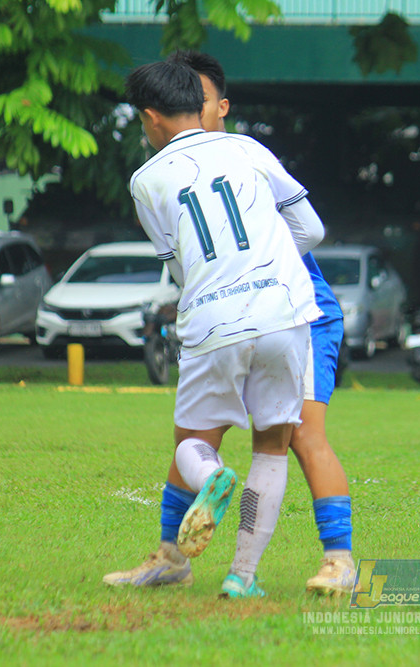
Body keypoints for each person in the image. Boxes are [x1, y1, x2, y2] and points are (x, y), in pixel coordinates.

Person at [103, 60, 324, 598]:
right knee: (272, 447)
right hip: (284, 313)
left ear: (152, 117)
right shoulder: (248, 149)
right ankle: (241, 577)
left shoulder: (146, 179)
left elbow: (178, 266)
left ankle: (210, 480)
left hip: (213, 321)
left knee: (192, 445)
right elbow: (311, 229)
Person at [170, 49, 356, 595]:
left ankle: (340, 562)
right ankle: (178, 558)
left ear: (220, 108)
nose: (186, 112)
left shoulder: (245, 160)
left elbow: (306, 230)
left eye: (196, 102)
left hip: (301, 316)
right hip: (243, 321)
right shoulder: (181, 177)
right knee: (194, 436)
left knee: (301, 437)